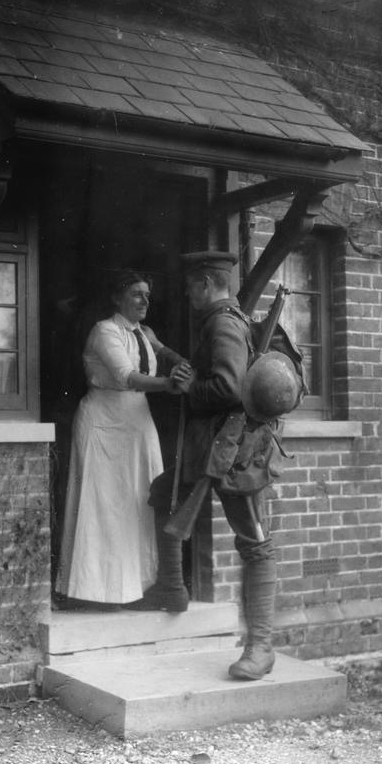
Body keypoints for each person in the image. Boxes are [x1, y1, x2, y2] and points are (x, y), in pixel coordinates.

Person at [133, 252, 278, 681]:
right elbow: (214, 372)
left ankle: (261, 647)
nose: (185, 293)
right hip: (209, 445)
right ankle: (173, 588)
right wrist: (166, 353)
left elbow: (229, 386)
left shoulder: (222, 322)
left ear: (203, 284)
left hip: (233, 451)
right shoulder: (225, 319)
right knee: (167, 494)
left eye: (189, 286)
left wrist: (188, 388)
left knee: (254, 540)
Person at [55, 270, 189, 607]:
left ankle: (137, 587)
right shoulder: (105, 330)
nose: (145, 301)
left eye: (147, 294)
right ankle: (94, 592)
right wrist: (168, 384)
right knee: (104, 506)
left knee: (139, 501)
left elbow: (163, 355)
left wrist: (172, 357)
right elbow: (125, 376)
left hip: (137, 423)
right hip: (104, 423)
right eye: (136, 294)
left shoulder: (143, 333)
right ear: (117, 298)